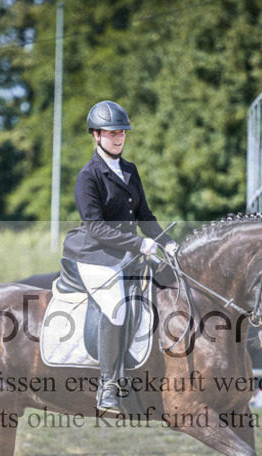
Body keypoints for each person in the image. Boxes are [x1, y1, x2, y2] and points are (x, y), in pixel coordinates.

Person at [63, 100, 178, 413]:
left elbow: (145, 215)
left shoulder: (129, 170)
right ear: (96, 136)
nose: (118, 138)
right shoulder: (89, 176)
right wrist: (139, 245)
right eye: (111, 133)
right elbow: (97, 228)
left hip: (126, 254)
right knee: (117, 308)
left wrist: (168, 242)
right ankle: (108, 385)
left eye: (122, 133)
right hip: (94, 256)